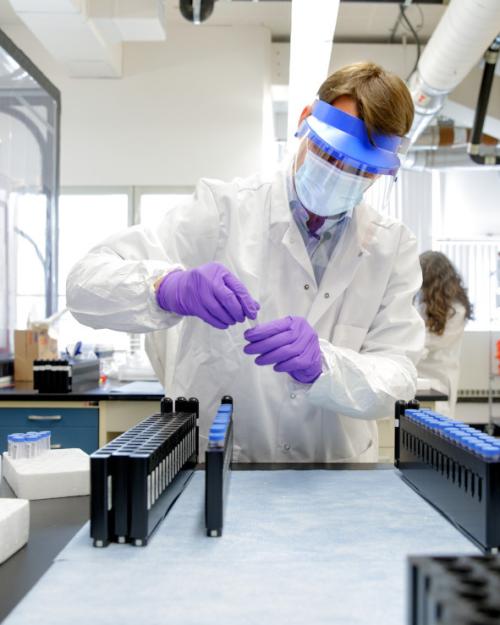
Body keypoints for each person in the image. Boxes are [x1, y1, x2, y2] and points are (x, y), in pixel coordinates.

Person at [67, 62, 424, 463]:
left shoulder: (391, 248)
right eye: (332, 154)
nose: (341, 173)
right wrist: (166, 288)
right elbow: (84, 284)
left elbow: (399, 377)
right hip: (220, 470)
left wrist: (326, 366)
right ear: (306, 121)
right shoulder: (222, 212)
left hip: (334, 480)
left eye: (362, 170)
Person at [416, 251, 474, 417]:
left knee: (435, 431)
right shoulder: (421, 302)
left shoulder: (456, 312)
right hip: (417, 380)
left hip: (439, 383)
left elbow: (423, 344)